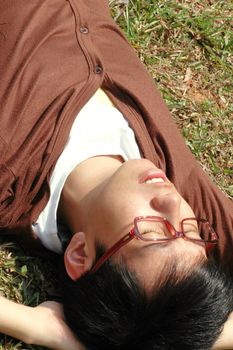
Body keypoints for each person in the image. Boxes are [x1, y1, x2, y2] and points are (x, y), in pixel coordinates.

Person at [0, 0, 232, 349]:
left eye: (152, 232)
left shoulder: (11, 177)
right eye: (194, 233)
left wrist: (37, 326)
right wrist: (184, 337)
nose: (171, 202)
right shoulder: (181, 191)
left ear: (80, 254)